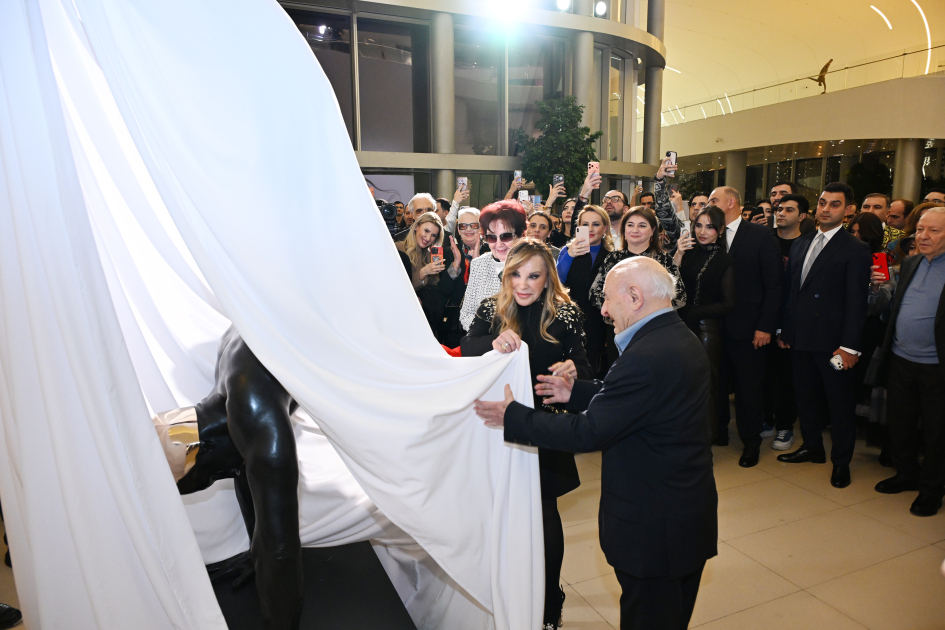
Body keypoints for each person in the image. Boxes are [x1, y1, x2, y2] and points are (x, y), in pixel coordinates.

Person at [474, 256, 718, 630]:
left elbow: (587, 433)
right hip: (681, 515)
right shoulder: (675, 337)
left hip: (656, 530)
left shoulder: (647, 355)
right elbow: (637, 402)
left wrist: (514, 417)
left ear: (635, 297)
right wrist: (576, 392)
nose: (602, 309)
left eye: (607, 298)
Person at [461, 238, 592, 629]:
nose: (523, 284)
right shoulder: (491, 308)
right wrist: (491, 342)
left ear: (547, 277)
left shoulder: (565, 314)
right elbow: (467, 347)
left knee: (545, 514)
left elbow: (584, 367)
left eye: (533, 276)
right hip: (497, 427)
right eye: (516, 274)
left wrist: (572, 369)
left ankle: (551, 603)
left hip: (545, 427)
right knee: (497, 512)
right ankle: (501, 592)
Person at [777, 182, 871, 489]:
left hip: (834, 344)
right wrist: (784, 330)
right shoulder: (802, 243)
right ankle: (813, 447)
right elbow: (792, 293)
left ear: (846, 211)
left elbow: (857, 303)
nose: (826, 209)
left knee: (839, 404)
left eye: (834, 204)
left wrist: (849, 348)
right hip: (800, 339)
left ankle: (841, 462)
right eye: (822, 203)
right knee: (805, 398)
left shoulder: (855, 249)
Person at [871, 207, 945, 516]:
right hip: (901, 358)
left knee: (936, 431)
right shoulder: (912, 262)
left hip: (937, 366)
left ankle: (931, 490)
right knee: (899, 422)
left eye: (933, 231)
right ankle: (905, 474)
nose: (922, 236)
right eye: (920, 230)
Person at [709, 186, 783, 465]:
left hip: (750, 328)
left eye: (714, 200)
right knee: (716, 384)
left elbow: (774, 285)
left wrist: (765, 326)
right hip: (714, 327)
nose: (710, 204)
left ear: (731, 202)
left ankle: (751, 442)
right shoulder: (708, 234)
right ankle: (719, 432)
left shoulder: (761, 235)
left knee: (748, 388)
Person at [674, 206, 736, 443]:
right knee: (683, 383)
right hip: (682, 326)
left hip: (707, 328)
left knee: (707, 385)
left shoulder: (725, 260)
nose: (702, 231)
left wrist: (694, 312)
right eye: (698, 225)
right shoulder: (688, 252)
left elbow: (729, 303)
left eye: (709, 226)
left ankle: (709, 437)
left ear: (720, 230)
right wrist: (678, 255)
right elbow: (671, 285)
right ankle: (687, 434)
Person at [763, 194, 808, 450]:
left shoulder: (807, 244)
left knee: (786, 377)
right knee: (764, 375)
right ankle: (766, 420)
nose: (781, 213)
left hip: (792, 322)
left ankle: (785, 426)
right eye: (779, 209)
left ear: (802, 216)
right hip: (763, 320)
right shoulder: (765, 241)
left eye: (789, 210)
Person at [557, 206, 614, 376]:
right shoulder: (567, 252)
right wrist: (569, 255)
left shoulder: (612, 255)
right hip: (568, 320)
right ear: (578, 228)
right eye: (585, 224)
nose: (590, 229)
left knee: (593, 370)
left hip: (599, 323)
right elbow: (557, 282)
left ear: (605, 228)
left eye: (595, 224)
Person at [459, 200, 527, 331]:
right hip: (484, 344)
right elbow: (466, 313)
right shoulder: (479, 264)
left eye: (506, 236)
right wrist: (487, 337)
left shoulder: (533, 265)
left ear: (521, 235)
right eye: (491, 237)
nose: (499, 244)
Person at [438, 208, 490, 345]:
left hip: (484, 322)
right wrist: (455, 264)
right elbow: (444, 289)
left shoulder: (492, 253)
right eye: (463, 226)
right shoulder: (449, 253)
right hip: (454, 322)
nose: (468, 229)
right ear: (458, 230)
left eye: (474, 225)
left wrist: (477, 261)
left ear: (481, 228)